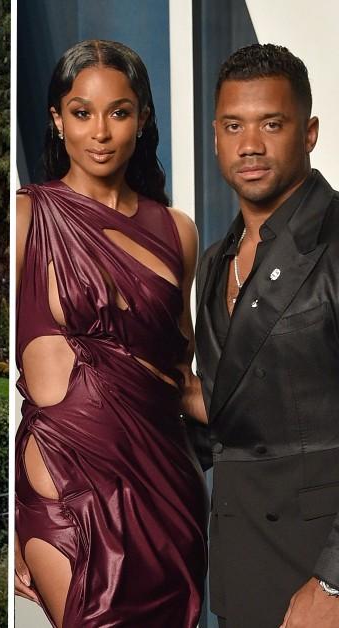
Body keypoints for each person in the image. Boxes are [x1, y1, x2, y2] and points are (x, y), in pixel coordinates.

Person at [14, 39, 207, 627]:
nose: (100, 132)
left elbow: (179, 376)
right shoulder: (27, 216)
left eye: (119, 113)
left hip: (166, 493)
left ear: (142, 120)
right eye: (81, 112)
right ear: (57, 119)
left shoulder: (179, 232)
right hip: (66, 487)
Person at [194, 43, 339, 628]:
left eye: (270, 124)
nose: (249, 145)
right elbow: (223, 423)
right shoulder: (211, 264)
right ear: (215, 136)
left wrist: (333, 582)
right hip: (237, 573)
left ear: (309, 133)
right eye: (234, 125)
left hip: (318, 570)